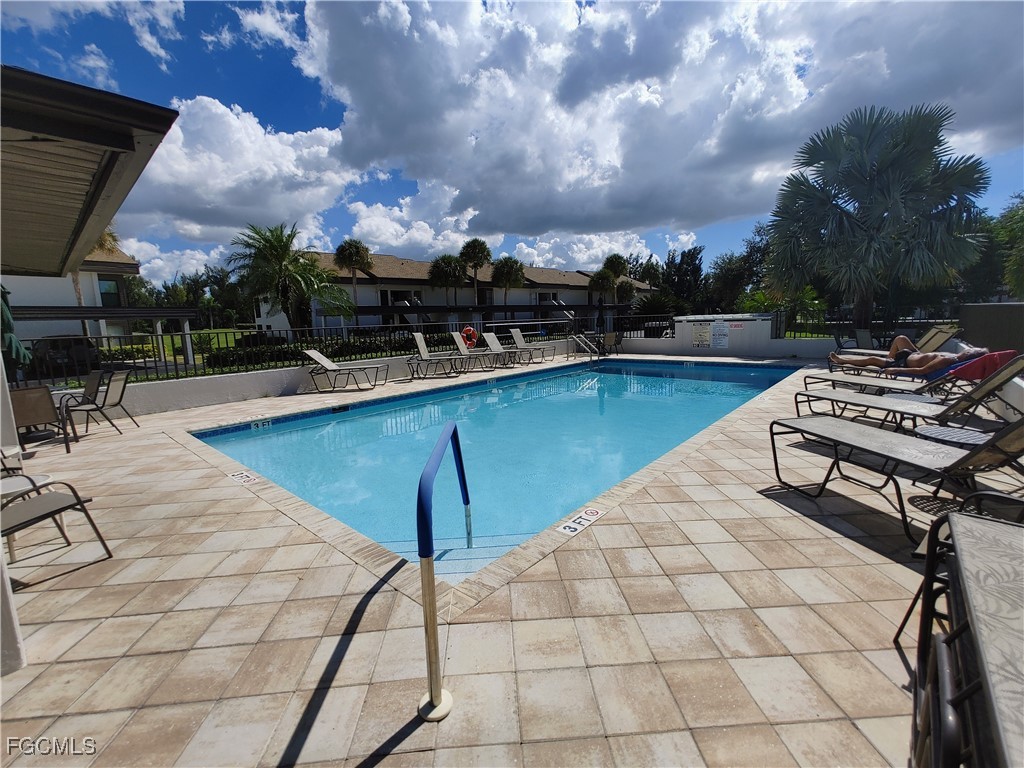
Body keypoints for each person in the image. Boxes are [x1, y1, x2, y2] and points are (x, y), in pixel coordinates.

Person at [829, 335, 988, 377]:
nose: (969, 349)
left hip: (905, 363)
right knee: (901, 338)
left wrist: (897, 369)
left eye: (971, 350)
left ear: (969, 355)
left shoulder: (948, 360)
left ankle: (842, 360)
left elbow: (922, 371)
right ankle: (890, 359)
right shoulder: (954, 357)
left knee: (872, 360)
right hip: (913, 355)